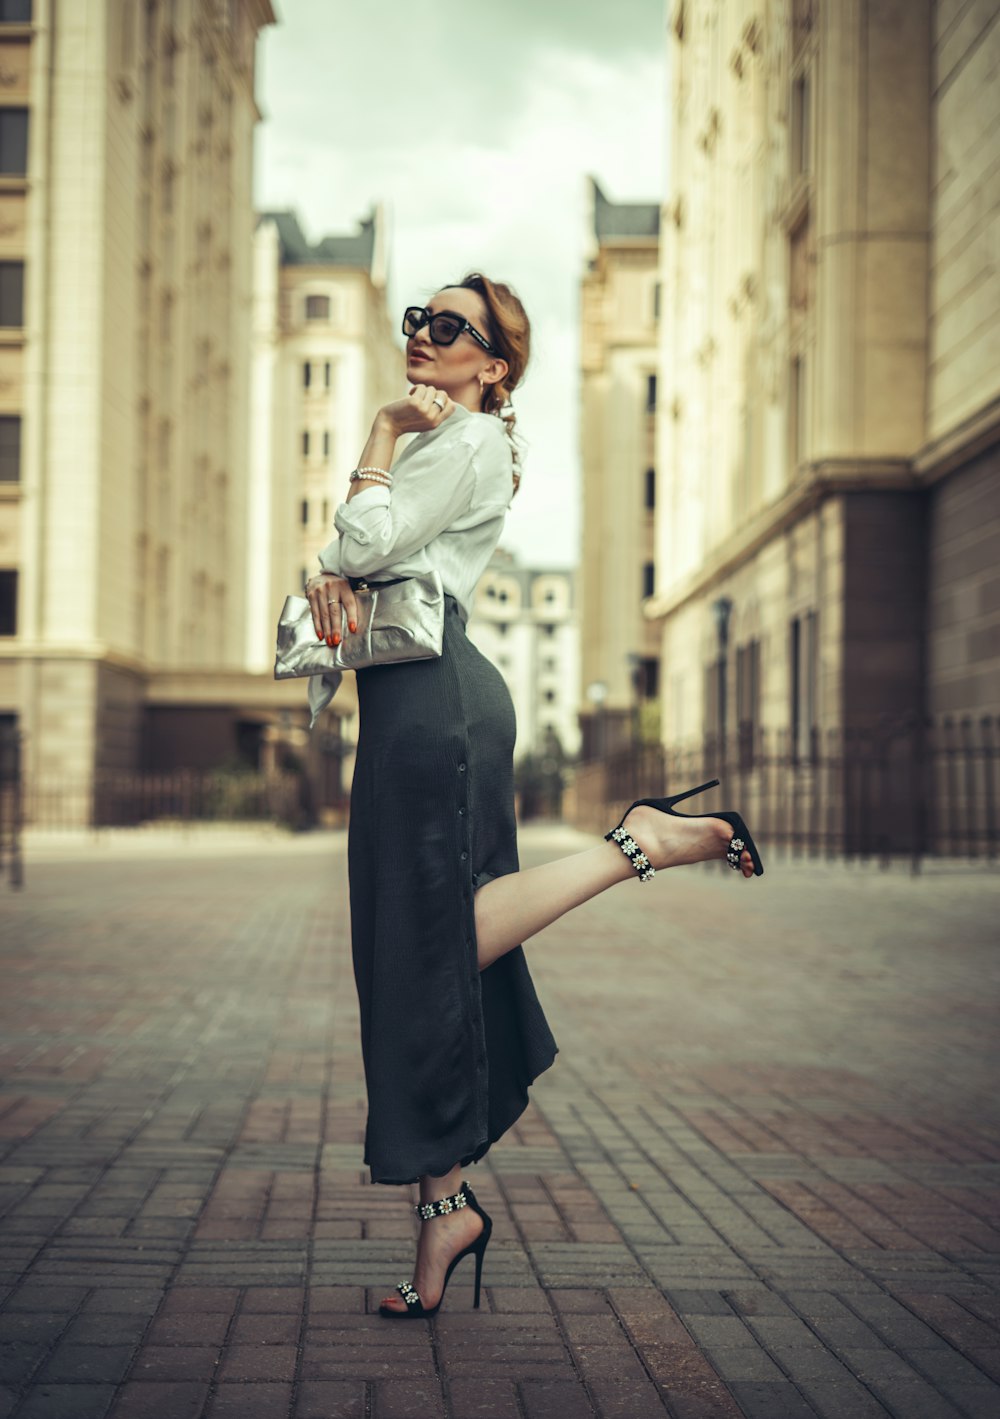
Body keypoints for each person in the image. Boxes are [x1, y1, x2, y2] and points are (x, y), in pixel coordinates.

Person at [305, 274, 762, 1320]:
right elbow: (355, 553)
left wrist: (375, 433)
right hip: (413, 701)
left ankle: (636, 843)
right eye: (418, 318)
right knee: (410, 957)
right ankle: (444, 1213)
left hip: (436, 703)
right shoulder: (443, 448)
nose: (424, 334)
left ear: (493, 365)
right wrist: (353, 532)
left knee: (421, 944)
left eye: (450, 326)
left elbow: (361, 547)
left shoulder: (456, 438)